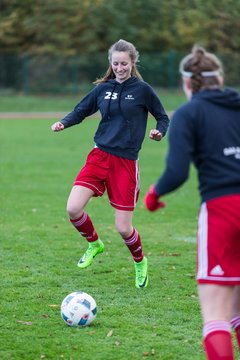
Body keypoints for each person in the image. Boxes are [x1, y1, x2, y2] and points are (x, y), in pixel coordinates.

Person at [144, 45, 240, 359]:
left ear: (188, 84)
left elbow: (177, 172)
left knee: (216, 316)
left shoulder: (188, 112)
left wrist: (154, 194)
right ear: (221, 77)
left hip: (222, 210)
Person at [51, 39, 169, 289]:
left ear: (132, 63)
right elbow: (81, 110)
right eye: (115, 63)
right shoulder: (103, 89)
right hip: (99, 156)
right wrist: (64, 122)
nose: (119, 68)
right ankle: (94, 244)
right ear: (111, 63)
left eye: (124, 63)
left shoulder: (143, 90)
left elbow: (162, 116)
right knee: (73, 209)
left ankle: (140, 262)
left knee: (123, 228)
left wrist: (159, 132)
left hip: (125, 163)